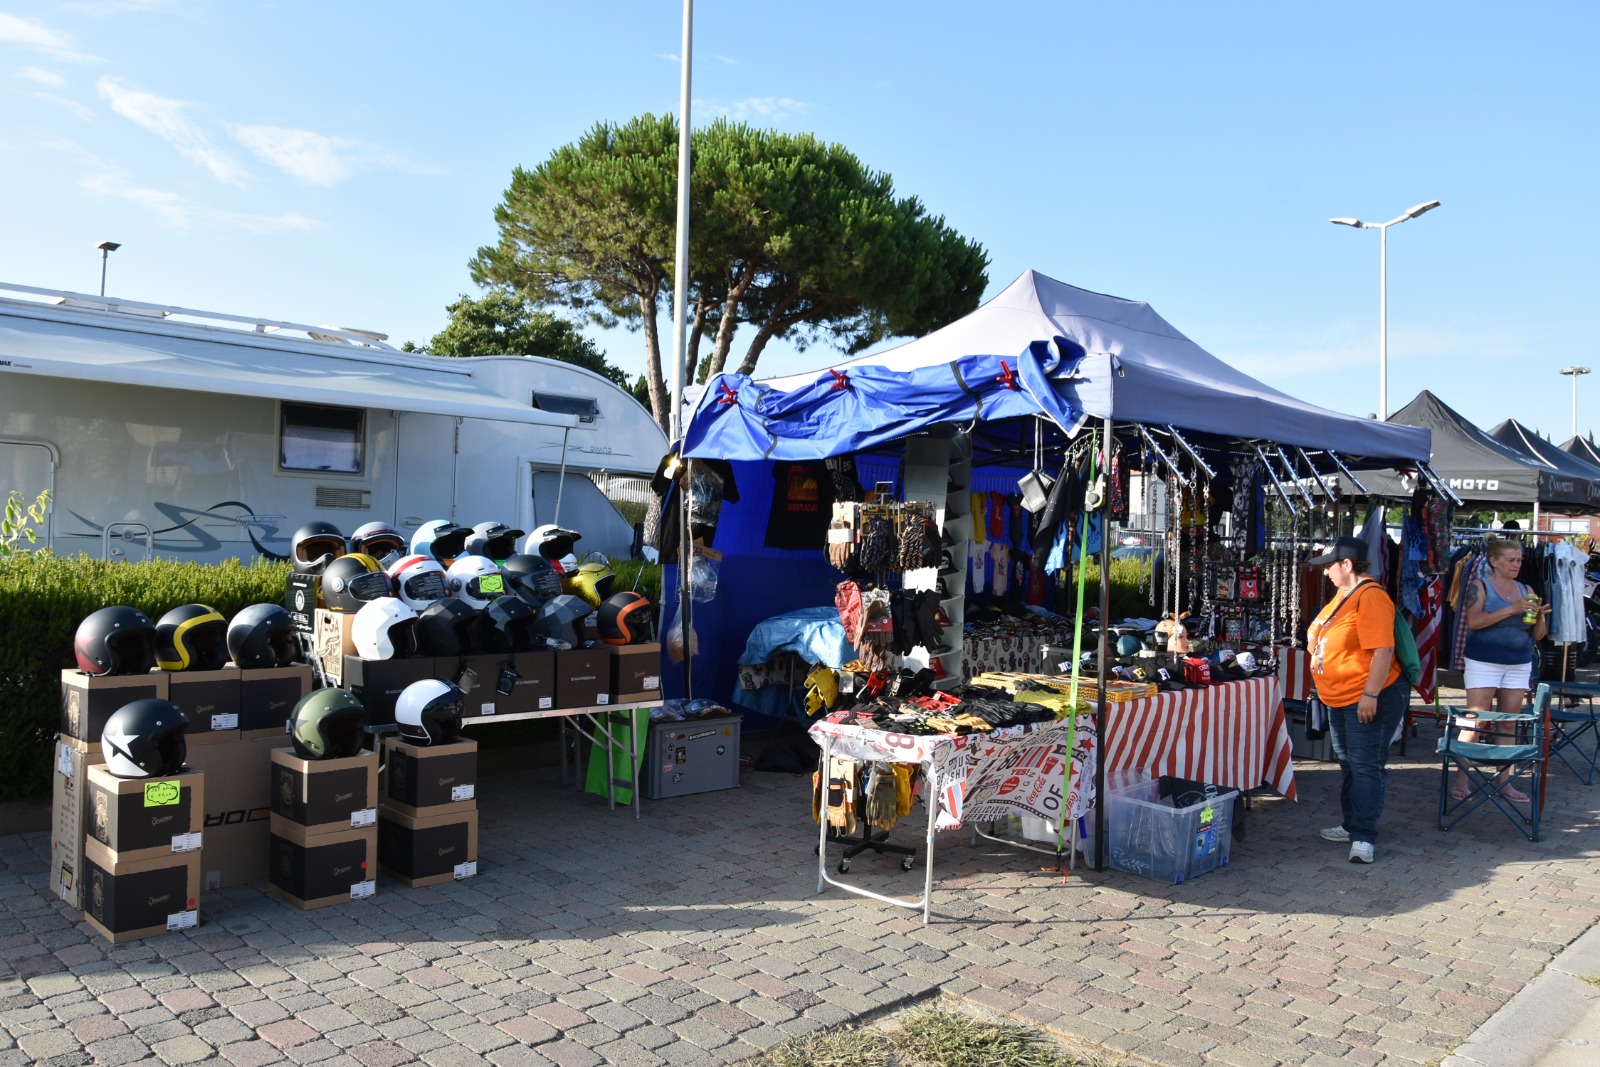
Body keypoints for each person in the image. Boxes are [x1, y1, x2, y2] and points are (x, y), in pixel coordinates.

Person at [1306, 535, 1409, 864]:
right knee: (1349, 762)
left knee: (1365, 765)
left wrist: (1370, 694)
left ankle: (1363, 836)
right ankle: (1353, 825)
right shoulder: (1343, 595)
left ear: (1347, 564)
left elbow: (1383, 650)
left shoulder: (1371, 597)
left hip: (1366, 694)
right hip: (1341, 696)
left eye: (1329, 566)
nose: (1325, 572)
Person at [1451, 537, 1549, 800]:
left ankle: (1504, 782)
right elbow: (1475, 621)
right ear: (1493, 561)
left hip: (1518, 662)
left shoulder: (1526, 589)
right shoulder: (1479, 586)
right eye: (1511, 560)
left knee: (1508, 724)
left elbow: (1537, 635)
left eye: (1519, 560)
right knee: (1475, 720)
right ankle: (1461, 780)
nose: (1516, 565)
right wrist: (1512, 609)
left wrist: (1540, 618)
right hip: (1483, 661)